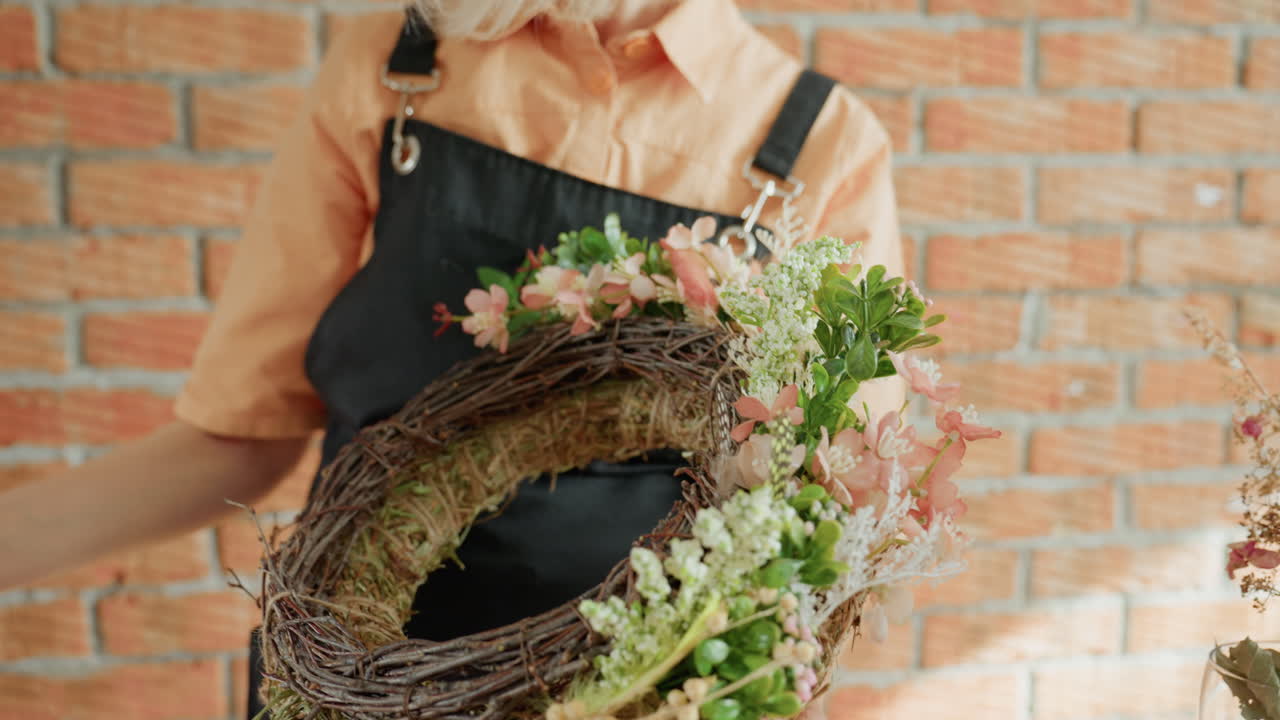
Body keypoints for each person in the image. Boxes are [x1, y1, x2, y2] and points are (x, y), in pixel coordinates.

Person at [0, 0, 906, 717]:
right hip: (346, 681)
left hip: (637, 690)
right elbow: (241, 435)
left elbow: (821, 524)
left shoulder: (816, 148)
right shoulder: (400, 70)